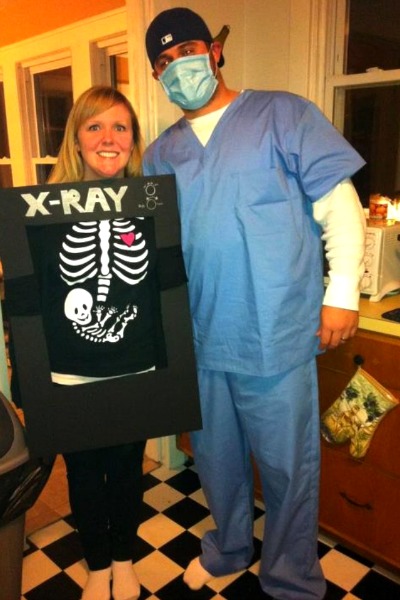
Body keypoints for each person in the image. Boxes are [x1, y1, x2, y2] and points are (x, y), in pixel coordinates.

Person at [143, 8, 366, 600]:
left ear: (214, 52)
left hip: (275, 334)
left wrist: (343, 290)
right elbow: (154, 250)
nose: (177, 67)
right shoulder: (160, 154)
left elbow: (339, 204)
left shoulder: (284, 115)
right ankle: (229, 548)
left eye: (186, 51)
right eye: (163, 62)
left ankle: (290, 577)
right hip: (201, 337)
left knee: (288, 468)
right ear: (158, 76)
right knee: (217, 462)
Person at [34, 86, 149, 600]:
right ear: (76, 139)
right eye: (94, 126)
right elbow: (34, 296)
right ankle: (97, 563)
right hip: (72, 370)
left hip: (134, 367)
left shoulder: (152, 204)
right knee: (82, 471)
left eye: (120, 127)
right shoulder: (42, 210)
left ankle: (123, 558)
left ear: (132, 140)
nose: (108, 138)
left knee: (126, 468)